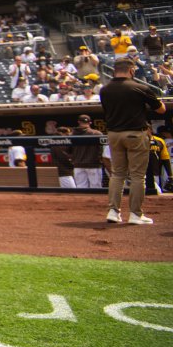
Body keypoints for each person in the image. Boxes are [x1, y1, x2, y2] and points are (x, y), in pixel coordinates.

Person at [101, 58, 166, 225]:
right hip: (135, 134)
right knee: (137, 176)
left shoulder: (105, 89)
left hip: (114, 134)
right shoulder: (139, 87)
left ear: (115, 70)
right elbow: (161, 109)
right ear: (131, 70)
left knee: (117, 174)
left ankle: (113, 211)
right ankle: (135, 214)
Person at [70, 114, 109, 188]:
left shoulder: (72, 134)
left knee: (81, 187)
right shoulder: (96, 133)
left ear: (78, 122)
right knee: (96, 188)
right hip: (93, 164)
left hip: (78, 165)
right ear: (90, 122)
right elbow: (104, 150)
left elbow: (69, 150)